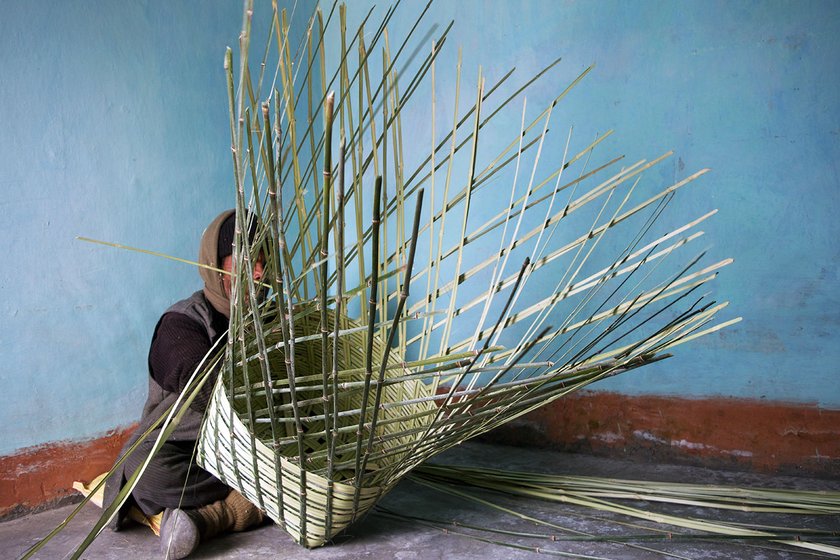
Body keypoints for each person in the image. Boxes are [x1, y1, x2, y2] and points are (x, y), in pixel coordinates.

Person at [104, 209, 265, 559]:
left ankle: (210, 517)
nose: (258, 272)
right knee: (143, 467)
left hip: (257, 450)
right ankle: (255, 500)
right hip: (191, 454)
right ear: (215, 264)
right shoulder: (181, 322)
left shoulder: (271, 322)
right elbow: (201, 382)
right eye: (246, 261)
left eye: (264, 262)